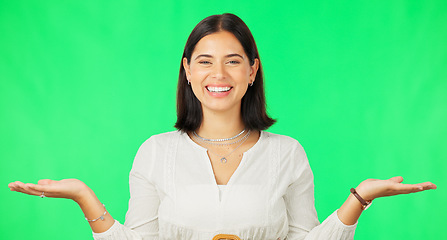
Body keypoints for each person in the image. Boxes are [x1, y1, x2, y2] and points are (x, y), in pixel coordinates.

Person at [8, 13, 436, 240]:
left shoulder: (287, 153)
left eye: (233, 61)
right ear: (188, 71)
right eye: (205, 62)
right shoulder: (156, 152)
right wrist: (84, 197)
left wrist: (360, 198)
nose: (219, 74)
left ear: (252, 71)